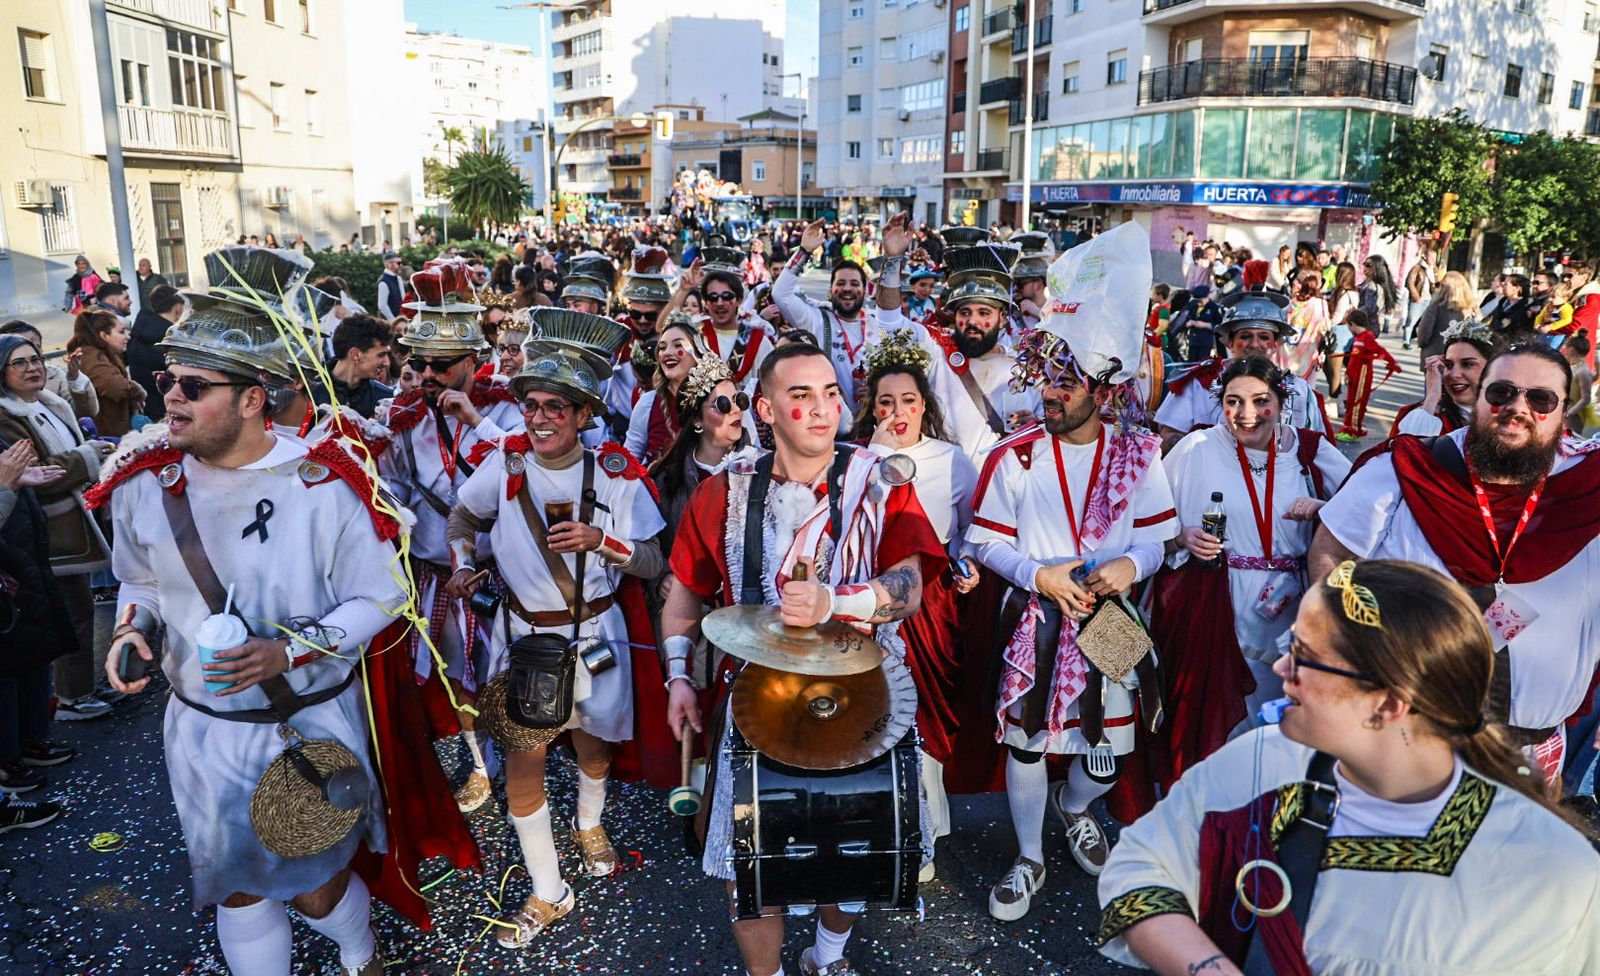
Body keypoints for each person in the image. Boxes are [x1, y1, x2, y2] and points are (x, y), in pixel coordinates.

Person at [92, 306, 407, 976]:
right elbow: (139, 580)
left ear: (252, 399)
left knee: (315, 890)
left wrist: (287, 651)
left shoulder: (326, 484)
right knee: (236, 886)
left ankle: (359, 951)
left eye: (193, 385)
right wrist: (132, 628)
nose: (170, 395)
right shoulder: (144, 482)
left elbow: (383, 595)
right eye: (167, 379)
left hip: (310, 720)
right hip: (205, 730)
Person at [1098, 560, 1600, 976]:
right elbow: (1140, 868)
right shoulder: (1258, 760)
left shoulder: (1552, 871)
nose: (1281, 670)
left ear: (1388, 703)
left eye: (1303, 657)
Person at [660, 341, 945, 976]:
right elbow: (683, 595)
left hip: (869, 695)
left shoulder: (881, 481)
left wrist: (835, 601)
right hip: (759, 700)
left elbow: (909, 591)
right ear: (765, 409)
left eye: (831, 394)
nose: (823, 409)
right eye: (801, 395)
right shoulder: (724, 493)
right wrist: (678, 675)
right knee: (752, 862)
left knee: (864, 847)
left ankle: (827, 955)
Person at [445, 314, 664, 947]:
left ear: (583, 415)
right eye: (532, 405)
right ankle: (549, 890)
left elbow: (655, 561)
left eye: (556, 409)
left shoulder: (618, 474)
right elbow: (462, 519)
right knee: (524, 761)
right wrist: (464, 566)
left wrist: (603, 540)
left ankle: (590, 824)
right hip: (522, 640)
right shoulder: (507, 463)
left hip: (597, 639)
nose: (540, 419)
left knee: (593, 747)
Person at [965, 314, 1179, 922]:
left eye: (1067, 384)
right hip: (1036, 613)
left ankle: (1077, 807)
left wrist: (1131, 566)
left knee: (1108, 749)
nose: (1051, 396)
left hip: (1108, 614)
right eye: (1047, 382)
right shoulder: (1016, 453)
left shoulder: (1138, 453)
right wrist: (1039, 575)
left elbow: (1158, 541)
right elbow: (986, 541)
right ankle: (1029, 856)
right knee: (1028, 741)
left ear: (1102, 391)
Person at [1312, 342, 1600, 786]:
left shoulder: (1588, 490)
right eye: (1501, 392)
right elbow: (1332, 552)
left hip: (1531, 754)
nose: (1517, 408)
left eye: (1540, 399)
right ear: (1479, 395)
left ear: (1564, 412)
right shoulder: (1405, 469)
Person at [1153, 357, 1349, 791]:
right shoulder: (1197, 448)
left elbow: (1366, 513)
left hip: (1293, 602)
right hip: (1217, 599)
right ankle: (1213, 812)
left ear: (1281, 402)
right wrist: (1181, 535)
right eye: (1233, 401)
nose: (1246, 414)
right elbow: (1147, 519)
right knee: (1219, 713)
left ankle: (1269, 810)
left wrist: (1324, 510)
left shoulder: (1311, 450)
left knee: (1282, 712)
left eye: (1261, 401)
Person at [376, 266, 525, 811]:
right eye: (420, 364)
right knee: (457, 676)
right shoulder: (404, 420)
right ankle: (481, 765)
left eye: (442, 365)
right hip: (438, 576)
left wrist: (477, 420)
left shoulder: (510, 406)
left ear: (473, 360)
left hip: (505, 573)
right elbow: (389, 487)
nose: (430, 375)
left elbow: (529, 464)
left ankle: (523, 763)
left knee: (511, 675)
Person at [849, 329, 982, 876]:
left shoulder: (951, 460)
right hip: (864, 599)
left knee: (923, 715)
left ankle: (926, 826)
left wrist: (967, 562)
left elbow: (975, 528)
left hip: (931, 605)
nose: (898, 411)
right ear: (871, 408)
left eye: (908, 400)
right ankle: (884, 821)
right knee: (874, 714)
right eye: (886, 401)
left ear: (925, 405)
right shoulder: (856, 459)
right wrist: (875, 455)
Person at [0, 334, 114, 721]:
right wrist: (87, 457)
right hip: (49, 528)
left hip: (72, 517)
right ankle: (72, 696)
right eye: (20, 362)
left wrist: (76, 378)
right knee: (71, 611)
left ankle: (80, 689)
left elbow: (83, 417)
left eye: (35, 358)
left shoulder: (44, 401)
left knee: (77, 607)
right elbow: (36, 473)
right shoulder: (6, 415)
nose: (32, 366)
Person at [875, 218, 1041, 458]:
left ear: (1002, 319)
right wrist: (892, 261)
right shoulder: (937, 349)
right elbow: (889, 323)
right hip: (945, 486)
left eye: (983, 313)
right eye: (965, 312)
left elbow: (1051, 425)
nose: (972, 321)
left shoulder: (1024, 367)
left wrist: (1037, 424)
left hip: (1000, 489)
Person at [1155, 292, 1332, 453]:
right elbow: (1168, 434)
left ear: (1276, 344)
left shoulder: (1299, 391)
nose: (1254, 344)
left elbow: (1317, 447)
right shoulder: (1201, 382)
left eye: (1264, 337)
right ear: (1229, 342)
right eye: (1245, 336)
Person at [0, 437, 74, 810]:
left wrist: (18, 479)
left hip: (17, 562)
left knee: (27, 655)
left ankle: (27, 743)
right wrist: (5, 486)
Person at [772, 218, 883, 411]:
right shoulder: (817, 320)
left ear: (865, 291)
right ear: (830, 290)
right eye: (840, 284)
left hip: (873, 424)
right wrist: (804, 251)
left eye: (855, 284)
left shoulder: (877, 324)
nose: (847, 289)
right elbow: (780, 293)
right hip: (830, 426)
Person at [647, 354, 752, 554]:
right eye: (722, 404)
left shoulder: (761, 468)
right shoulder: (667, 480)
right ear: (696, 420)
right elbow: (652, 549)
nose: (736, 410)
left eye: (739, 399)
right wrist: (664, 578)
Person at [665, 244, 774, 385]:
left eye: (727, 296)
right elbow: (662, 328)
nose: (720, 303)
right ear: (705, 302)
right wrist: (683, 290)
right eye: (713, 297)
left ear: (739, 300)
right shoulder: (696, 334)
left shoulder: (758, 340)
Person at [1391, 319, 1495, 437]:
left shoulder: (1510, 416)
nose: (1454, 374)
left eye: (1468, 364)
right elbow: (1406, 450)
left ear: (1493, 367)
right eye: (1448, 365)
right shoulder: (1423, 416)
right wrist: (1432, 398)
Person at [624, 315, 701, 465]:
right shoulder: (648, 403)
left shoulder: (719, 398)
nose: (667, 353)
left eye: (678, 345)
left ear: (698, 351)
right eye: (663, 347)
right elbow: (630, 460)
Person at [67, 309, 145, 436]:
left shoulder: (101, 354)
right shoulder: (91, 356)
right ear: (104, 335)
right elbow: (115, 387)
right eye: (121, 332)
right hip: (108, 433)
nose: (127, 337)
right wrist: (137, 391)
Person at [0, 321, 99, 418]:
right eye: (19, 347)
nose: (31, 351)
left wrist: (75, 378)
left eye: (36, 346)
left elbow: (86, 412)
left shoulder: (54, 376)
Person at [1336, 309, 1401, 441]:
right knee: (1351, 403)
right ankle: (1348, 428)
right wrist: (1348, 373)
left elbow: (1380, 351)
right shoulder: (1359, 338)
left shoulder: (1367, 337)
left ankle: (1353, 432)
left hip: (1362, 377)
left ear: (1352, 324)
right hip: (1354, 376)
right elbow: (1353, 358)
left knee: (1357, 404)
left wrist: (1392, 363)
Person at [126, 285, 187, 420]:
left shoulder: (137, 333)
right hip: (167, 410)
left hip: (144, 407)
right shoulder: (170, 340)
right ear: (178, 308)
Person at [318, 315, 394, 419]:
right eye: (381, 355)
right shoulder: (309, 392)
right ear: (355, 355)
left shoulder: (384, 398)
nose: (387, 362)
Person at [1414, 269, 1473, 365]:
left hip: (1435, 354)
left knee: (1434, 379)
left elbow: (1424, 330)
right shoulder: (1470, 308)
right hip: (1461, 358)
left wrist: (1422, 343)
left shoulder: (1435, 307)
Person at [1324, 262, 1361, 403]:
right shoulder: (1354, 292)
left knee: (1334, 370)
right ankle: (1341, 400)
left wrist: (1325, 325)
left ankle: (1334, 401)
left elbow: (1338, 316)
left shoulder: (1345, 294)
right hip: (1349, 333)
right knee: (1339, 370)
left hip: (1339, 332)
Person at [1282, 271, 1329, 380]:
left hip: (1290, 344)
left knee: (1287, 379)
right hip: (1310, 346)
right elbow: (1326, 325)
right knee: (1308, 383)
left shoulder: (1293, 302)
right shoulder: (1320, 303)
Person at [1402, 245, 1436, 350]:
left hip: (1429, 299)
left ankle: (1422, 341)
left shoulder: (1433, 270)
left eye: (1434, 258)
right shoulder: (1417, 268)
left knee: (1425, 323)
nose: (1433, 260)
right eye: (1431, 257)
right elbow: (1410, 283)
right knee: (1411, 321)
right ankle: (1406, 342)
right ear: (1425, 256)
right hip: (1418, 300)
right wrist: (1416, 297)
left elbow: (1435, 283)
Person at [1564, 331, 1597, 436]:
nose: (1564, 350)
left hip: (1574, 416)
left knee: (1570, 440)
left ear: (1571, 350)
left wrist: (1570, 412)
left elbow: (1586, 398)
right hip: (1566, 411)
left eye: (1566, 347)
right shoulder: (1573, 366)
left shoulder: (1582, 372)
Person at [1490, 274, 1534, 343]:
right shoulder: (1503, 301)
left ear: (1516, 288)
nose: (1502, 284)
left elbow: (1507, 323)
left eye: (1506, 284)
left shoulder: (1526, 305)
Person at [1534, 280, 1576, 347]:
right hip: (1545, 332)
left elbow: (1567, 319)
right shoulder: (1548, 306)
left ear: (1565, 298)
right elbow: (1540, 316)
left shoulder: (1565, 308)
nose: (1549, 299)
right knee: (1540, 348)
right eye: (1549, 296)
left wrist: (1551, 327)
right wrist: (1537, 324)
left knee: (1552, 350)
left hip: (1557, 335)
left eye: (1553, 297)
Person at [376, 253, 405, 320]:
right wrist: (394, 321)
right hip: (387, 323)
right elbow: (382, 306)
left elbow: (403, 299)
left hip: (399, 319)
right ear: (389, 265)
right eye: (398, 263)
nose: (401, 265)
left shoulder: (398, 278)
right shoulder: (383, 282)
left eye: (401, 262)